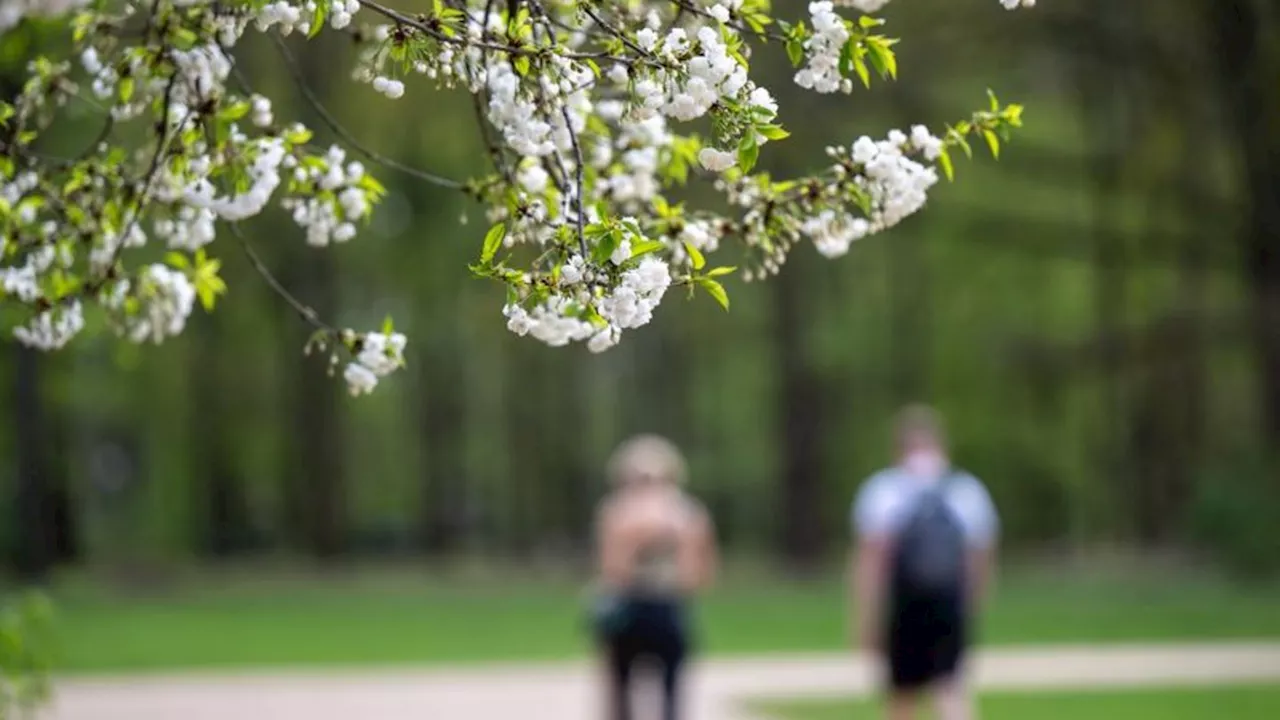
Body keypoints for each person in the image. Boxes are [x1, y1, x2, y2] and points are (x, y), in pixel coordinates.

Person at [850, 405, 999, 720]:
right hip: (948, 603)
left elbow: (871, 561)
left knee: (902, 695)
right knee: (951, 689)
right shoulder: (965, 489)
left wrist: (866, 615)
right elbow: (981, 556)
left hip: (906, 605)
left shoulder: (885, 490)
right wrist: (972, 603)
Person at [590, 434, 718, 720]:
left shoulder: (618, 511)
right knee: (665, 693)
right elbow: (700, 574)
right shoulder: (688, 513)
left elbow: (613, 569)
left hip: (643, 605)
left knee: (626, 694)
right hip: (658, 606)